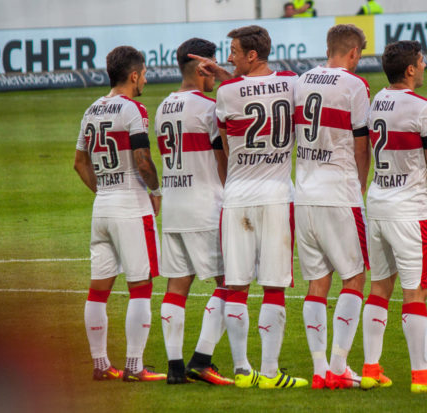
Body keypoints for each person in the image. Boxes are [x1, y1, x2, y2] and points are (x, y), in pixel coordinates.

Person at [215, 25, 308, 389]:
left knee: (236, 285)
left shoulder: (225, 92)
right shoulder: (291, 82)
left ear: (251, 55)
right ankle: (270, 373)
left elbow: (224, 143)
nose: (229, 57)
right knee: (274, 286)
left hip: (236, 196)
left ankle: (241, 370)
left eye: (235, 51)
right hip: (277, 196)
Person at [364, 40, 427, 392]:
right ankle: (421, 375)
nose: (426, 65)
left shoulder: (376, 101)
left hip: (377, 203)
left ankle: (371, 369)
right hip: (408, 210)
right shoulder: (423, 108)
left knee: (379, 288)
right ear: (410, 70)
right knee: (415, 292)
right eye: (422, 61)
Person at [74, 45, 166, 382]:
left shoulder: (91, 110)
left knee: (98, 289)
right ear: (133, 75)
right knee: (140, 286)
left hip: (103, 209)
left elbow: (79, 162)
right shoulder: (133, 109)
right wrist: (155, 192)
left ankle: (100, 365)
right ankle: (134, 366)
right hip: (131, 206)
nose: (145, 79)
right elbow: (142, 160)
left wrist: (103, 193)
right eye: (143, 73)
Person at [293, 24, 371, 390]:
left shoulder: (301, 80)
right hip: (338, 194)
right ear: (353, 52)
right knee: (354, 276)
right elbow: (360, 145)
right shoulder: (355, 86)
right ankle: (340, 365)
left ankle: (320, 369)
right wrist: (360, 189)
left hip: (303, 195)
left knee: (317, 282)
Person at [155, 38, 233, 386]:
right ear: (204, 67)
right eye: (213, 66)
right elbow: (223, 159)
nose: (215, 74)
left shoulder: (162, 107)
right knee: (229, 283)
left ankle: (174, 368)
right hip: (205, 205)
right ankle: (202, 359)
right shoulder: (208, 108)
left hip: (173, 206)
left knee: (176, 286)